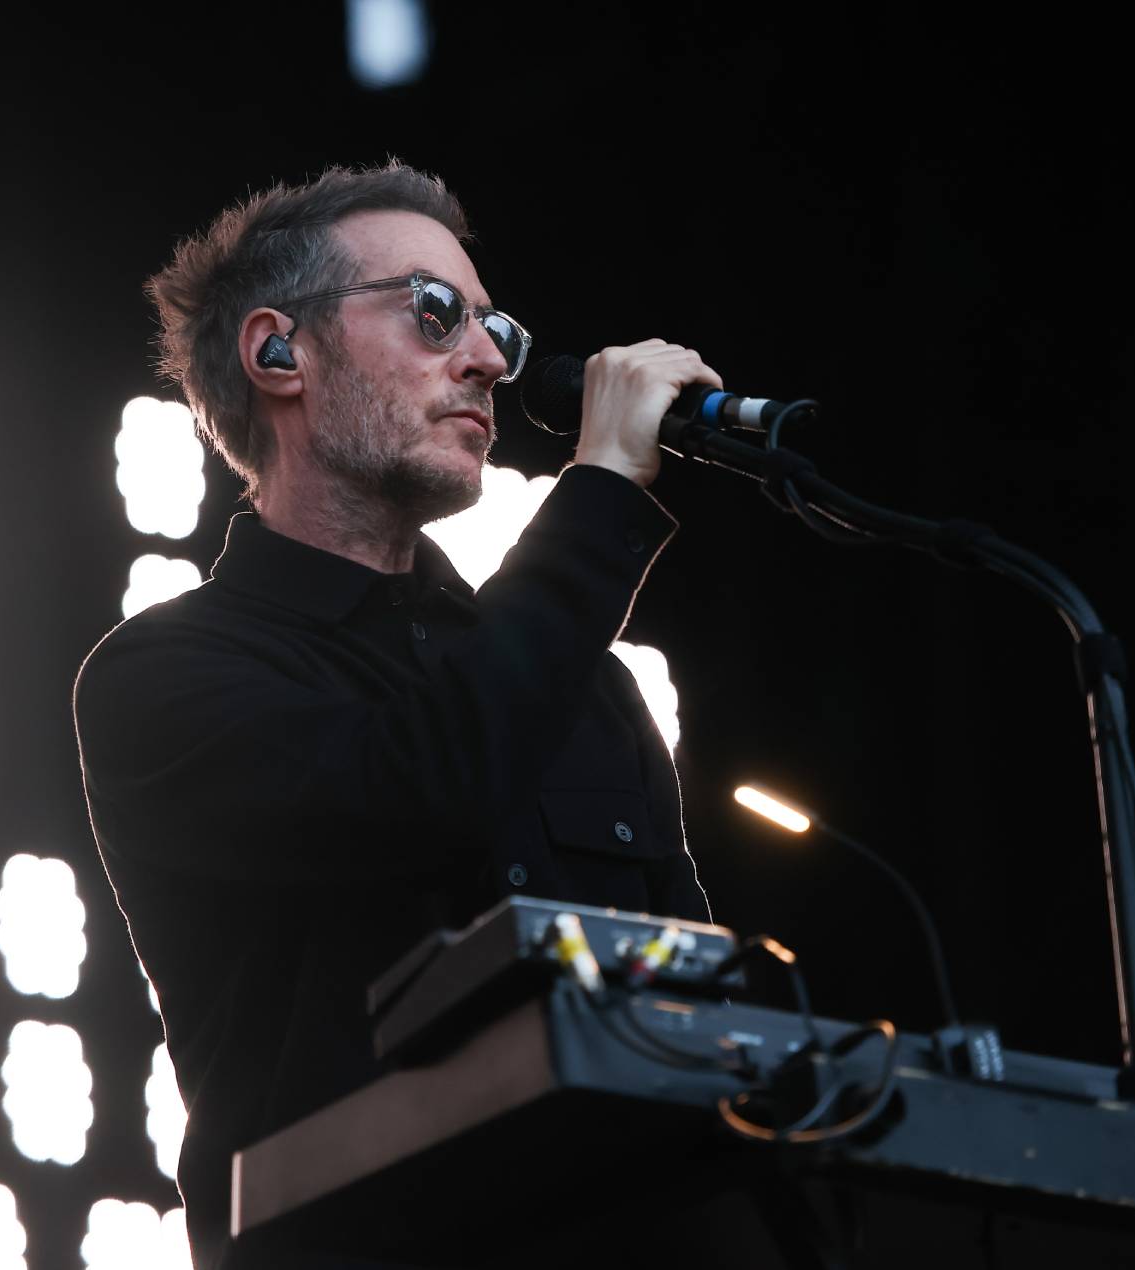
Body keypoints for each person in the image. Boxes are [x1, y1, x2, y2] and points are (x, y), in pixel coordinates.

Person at [72, 161, 722, 1269]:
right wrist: (602, 487)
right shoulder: (165, 673)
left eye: (491, 330)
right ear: (279, 351)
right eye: (433, 315)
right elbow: (421, 783)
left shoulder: (585, 687)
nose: (482, 361)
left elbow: (695, 1002)